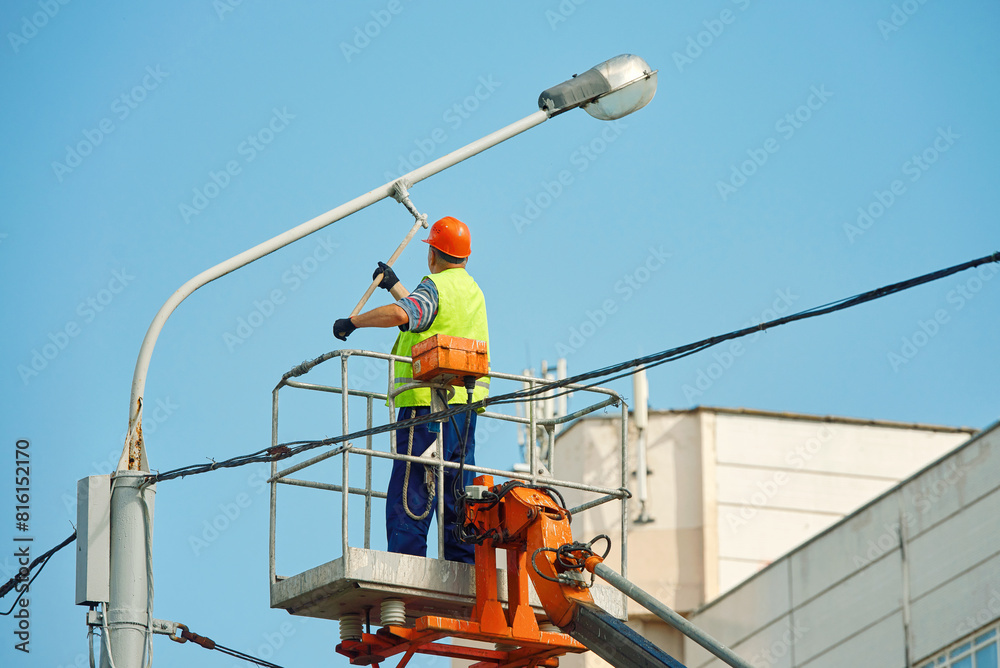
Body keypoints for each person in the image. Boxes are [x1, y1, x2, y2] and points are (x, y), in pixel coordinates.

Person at [332, 216, 489, 563]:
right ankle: (464, 564)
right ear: (465, 257)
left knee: (412, 491)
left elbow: (405, 314)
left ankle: (407, 564)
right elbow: (428, 317)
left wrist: (353, 322)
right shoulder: (471, 291)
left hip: (425, 408)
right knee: (457, 490)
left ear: (433, 253)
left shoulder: (435, 286)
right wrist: (394, 284)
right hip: (463, 408)